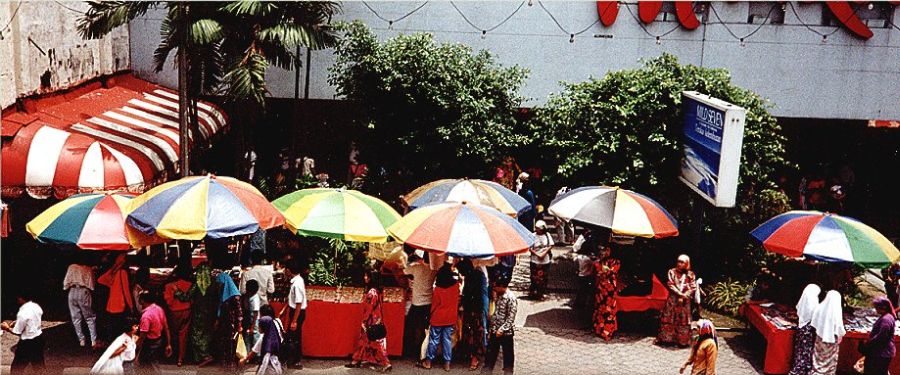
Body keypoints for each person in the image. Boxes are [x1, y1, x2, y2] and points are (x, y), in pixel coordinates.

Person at [346, 270, 392, 372]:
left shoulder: (371, 293)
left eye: (367, 276)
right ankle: (356, 360)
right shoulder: (377, 291)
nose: (365, 277)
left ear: (371, 278)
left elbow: (369, 309)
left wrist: (364, 321)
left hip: (370, 320)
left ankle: (386, 362)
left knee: (372, 342)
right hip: (377, 319)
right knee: (366, 340)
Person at [420, 265, 460, 371]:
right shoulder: (456, 286)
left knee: (434, 340)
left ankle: (428, 361)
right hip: (450, 318)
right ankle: (447, 363)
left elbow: (434, 306)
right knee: (447, 340)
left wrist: (430, 316)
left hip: (438, 318)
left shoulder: (438, 289)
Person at [402, 252, 437, 359]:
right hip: (429, 302)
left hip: (417, 302)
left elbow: (404, 270)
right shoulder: (433, 269)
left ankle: (412, 350)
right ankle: (422, 352)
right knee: (425, 328)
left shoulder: (416, 268)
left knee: (412, 327)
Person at [1, 290, 45, 374]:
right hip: (39, 340)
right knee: (39, 368)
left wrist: (6, 327)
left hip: (27, 343)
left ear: (21, 298)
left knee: (16, 369)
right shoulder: (36, 306)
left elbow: (17, 331)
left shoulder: (23, 312)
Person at [658, 254, 697, 347]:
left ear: (687, 263)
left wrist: (685, 295)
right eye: (678, 261)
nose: (679, 264)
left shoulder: (690, 274)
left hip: (684, 301)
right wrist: (680, 294)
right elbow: (670, 284)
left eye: (682, 262)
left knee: (683, 319)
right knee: (670, 317)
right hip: (673, 300)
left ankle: (682, 341)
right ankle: (667, 340)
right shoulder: (672, 272)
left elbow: (693, 286)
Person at [457, 259, 489, 371]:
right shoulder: (473, 275)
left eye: (461, 271)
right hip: (472, 308)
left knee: (476, 333)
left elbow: (473, 294)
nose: (460, 274)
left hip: (475, 309)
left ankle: (475, 357)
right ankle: (473, 354)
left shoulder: (475, 276)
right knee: (472, 332)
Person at [64, 259, 99, 348]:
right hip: (83, 291)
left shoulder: (71, 266)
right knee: (90, 317)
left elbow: (66, 283)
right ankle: (93, 340)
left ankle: (81, 340)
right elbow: (92, 285)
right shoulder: (88, 269)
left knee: (75, 317)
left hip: (72, 291)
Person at [483, 281, 518, 373]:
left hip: (506, 332)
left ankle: (508, 371)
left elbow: (511, 318)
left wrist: (502, 330)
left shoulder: (511, 298)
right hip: (495, 330)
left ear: (502, 286)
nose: (494, 288)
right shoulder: (497, 295)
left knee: (508, 354)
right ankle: (487, 369)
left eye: (496, 287)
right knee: (491, 353)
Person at [810, 290, 846, 375]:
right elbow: (839, 328)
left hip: (819, 337)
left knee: (818, 358)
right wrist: (841, 334)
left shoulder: (820, 308)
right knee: (828, 362)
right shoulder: (836, 312)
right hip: (831, 341)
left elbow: (814, 321)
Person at [135, 292, 172, 375]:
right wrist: (168, 344)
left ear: (142, 301)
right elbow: (166, 327)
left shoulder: (146, 316)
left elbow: (142, 336)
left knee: (147, 366)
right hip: (159, 341)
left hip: (149, 344)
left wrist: (137, 348)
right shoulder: (159, 309)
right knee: (154, 364)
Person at [163, 266, 193, 367]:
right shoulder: (189, 285)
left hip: (174, 313)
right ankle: (180, 358)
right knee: (183, 335)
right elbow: (192, 300)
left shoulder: (168, 286)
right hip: (186, 311)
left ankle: (172, 355)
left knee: (173, 334)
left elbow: (168, 302)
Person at [789, 284, 821, 375]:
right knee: (805, 351)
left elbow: (799, 310)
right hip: (808, 329)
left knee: (800, 350)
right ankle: (801, 370)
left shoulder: (805, 301)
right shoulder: (813, 302)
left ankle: (798, 368)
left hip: (802, 327)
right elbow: (815, 315)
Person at [859, 296, 896, 375]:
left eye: (876, 307)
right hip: (882, 352)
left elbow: (881, 336)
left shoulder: (886, 319)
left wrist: (867, 344)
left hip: (881, 353)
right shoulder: (888, 317)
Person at [281, 261, 307, 369]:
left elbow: (298, 303)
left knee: (294, 337)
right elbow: (291, 299)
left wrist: (294, 321)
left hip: (298, 312)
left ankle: (295, 361)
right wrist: (284, 309)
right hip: (295, 311)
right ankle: (292, 359)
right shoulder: (296, 281)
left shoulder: (297, 284)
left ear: (289, 270)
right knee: (293, 336)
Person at [188, 264, 215, 366]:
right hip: (210, 314)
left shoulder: (197, 285)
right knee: (206, 336)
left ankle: (205, 356)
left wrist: (176, 291)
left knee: (195, 336)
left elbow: (186, 297)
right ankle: (201, 357)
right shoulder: (213, 285)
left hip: (198, 314)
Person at [215, 271, 243, 370]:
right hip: (224, 321)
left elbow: (239, 311)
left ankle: (232, 362)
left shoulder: (235, 295)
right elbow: (219, 306)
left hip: (232, 322)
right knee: (223, 340)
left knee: (232, 341)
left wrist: (239, 325)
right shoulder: (222, 293)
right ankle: (225, 361)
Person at [593, 247, 621, 340]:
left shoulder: (615, 261)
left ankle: (608, 331)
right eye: (603, 251)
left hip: (610, 290)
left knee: (609, 311)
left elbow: (612, 272)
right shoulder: (600, 261)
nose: (604, 252)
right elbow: (598, 271)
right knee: (600, 309)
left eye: (606, 250)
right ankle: (599, 330)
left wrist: (605, 270)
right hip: (601, 289)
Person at [529, 220, 554, 300]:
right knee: (534, 277)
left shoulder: (547, 235)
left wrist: (543, 254)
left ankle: (541, 293)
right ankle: (533, 292)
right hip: (534, 260)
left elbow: (551, 245)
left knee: (543, 277)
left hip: (545, 260)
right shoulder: (533, 235)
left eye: (538, 228)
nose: (537, 230)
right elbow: (529, 247)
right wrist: (537, 254)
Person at [242, 279, 262, 355]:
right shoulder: (249, 297)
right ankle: (247, 353)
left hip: (254, 321)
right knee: (247, 337)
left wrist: (252, 326)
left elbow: (255, 313)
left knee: (255, 337)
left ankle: (258, 355)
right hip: (249, 320)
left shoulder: (255, 299)